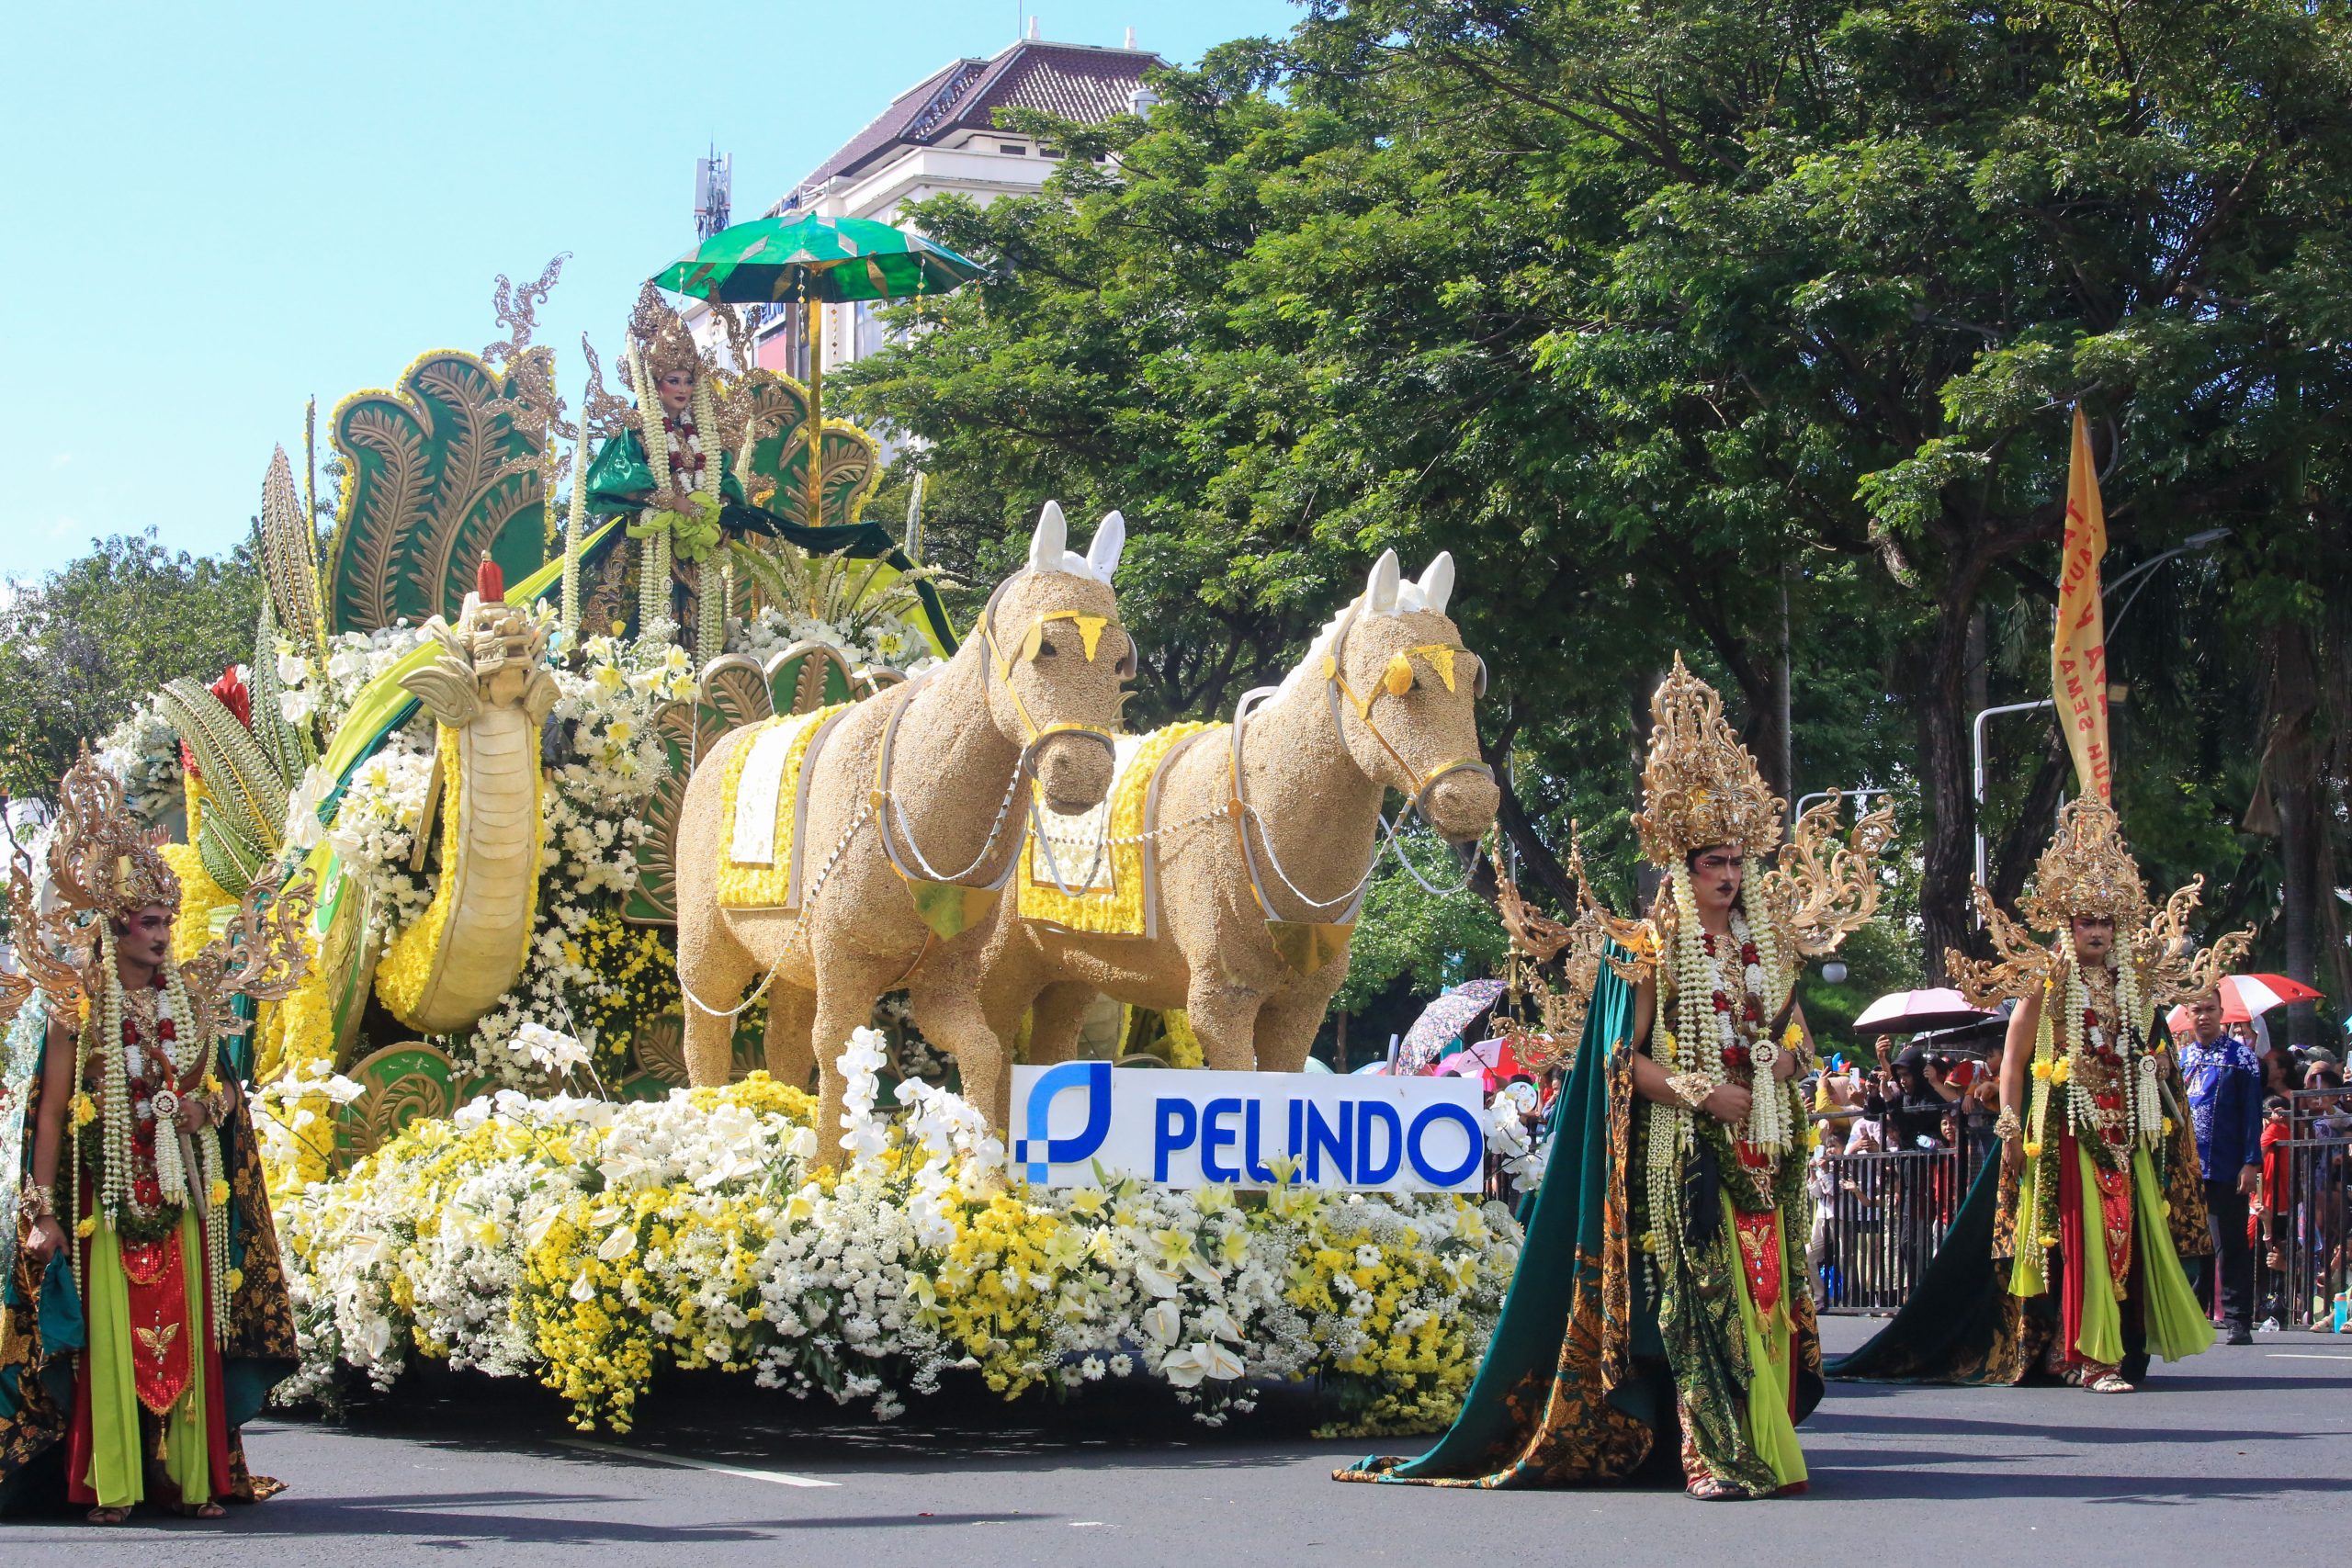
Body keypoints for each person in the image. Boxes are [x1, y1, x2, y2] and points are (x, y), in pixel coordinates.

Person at [1336, 655, 1889, 1501]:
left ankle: (1763, 1441)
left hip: (1762, 1150)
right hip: (1683, 1156)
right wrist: (1705, 1091)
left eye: (1737, 861)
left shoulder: (1766, 947)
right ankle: (1710, 1453)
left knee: (1765, 1297)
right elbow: (1617, 1060)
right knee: (1700, 1302)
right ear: (1683, 866)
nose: (1731, 876)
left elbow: (1795, 1040)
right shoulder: (1647, 951)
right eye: (1714, 863)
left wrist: (1778, 1063)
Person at [1829, 797, 2248, 1391]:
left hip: (2124, 1132)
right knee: (2083, 1242)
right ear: (2067, 924)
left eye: (2106, 921)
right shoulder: (2046, 982)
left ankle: (2095, 1347)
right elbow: (2016, 1060)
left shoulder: (2134, 989)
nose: (2098, 931)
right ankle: (2087, 1355)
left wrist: (2151, 1070)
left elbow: (2152, 1052)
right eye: (2086, 921)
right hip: (2066, 1131)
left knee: (2124, 1235)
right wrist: (2009, 1120)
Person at [1, 756, 312, 1521]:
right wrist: (40, 1213)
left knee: (187, 1333)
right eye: (151, 922)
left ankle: (192, 1479)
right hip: (104, 1198)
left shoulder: (191, 999)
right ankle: (114, 1483)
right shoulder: (80, 1004)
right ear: (116, 925)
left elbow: (225, 1091)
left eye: (170, 922)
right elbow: (47, 1111)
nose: (165, 935)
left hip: (181, 1191)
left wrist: (204, 1113)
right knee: (112, 1339)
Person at [2179, 992, 2263, 1343]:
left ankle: (2238, 1317)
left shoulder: (2242, 1059)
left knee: (2229, 1243)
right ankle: (2190, 1316)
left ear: (2221, 1013)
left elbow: (2251, 1114)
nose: (2203, 1017)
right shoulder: (2180, 1059)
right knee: (2190, 1243)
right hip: (2188, 1169)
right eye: (2197, 1010)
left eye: (2210, 1010)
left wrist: (2250, 1162)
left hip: (2227, 1166)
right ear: (2188, 1014)